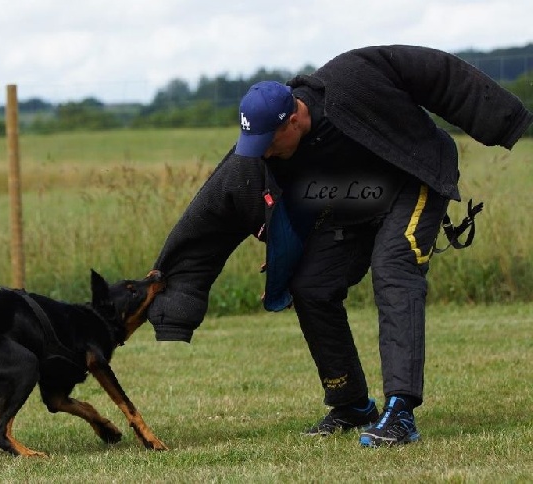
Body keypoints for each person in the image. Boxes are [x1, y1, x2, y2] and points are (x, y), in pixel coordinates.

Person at [147, 45, 532, 447]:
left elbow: (435, 73)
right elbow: (209, 217)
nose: (263, 153)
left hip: (413, 177)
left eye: (269, 142)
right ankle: (351, 404)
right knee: (311, 287)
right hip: (354, 204)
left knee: (395, 267)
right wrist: (173, 302)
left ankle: (400, 412)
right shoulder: (262, 151)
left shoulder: (351, 81)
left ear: (294, 119)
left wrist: (502, 120)